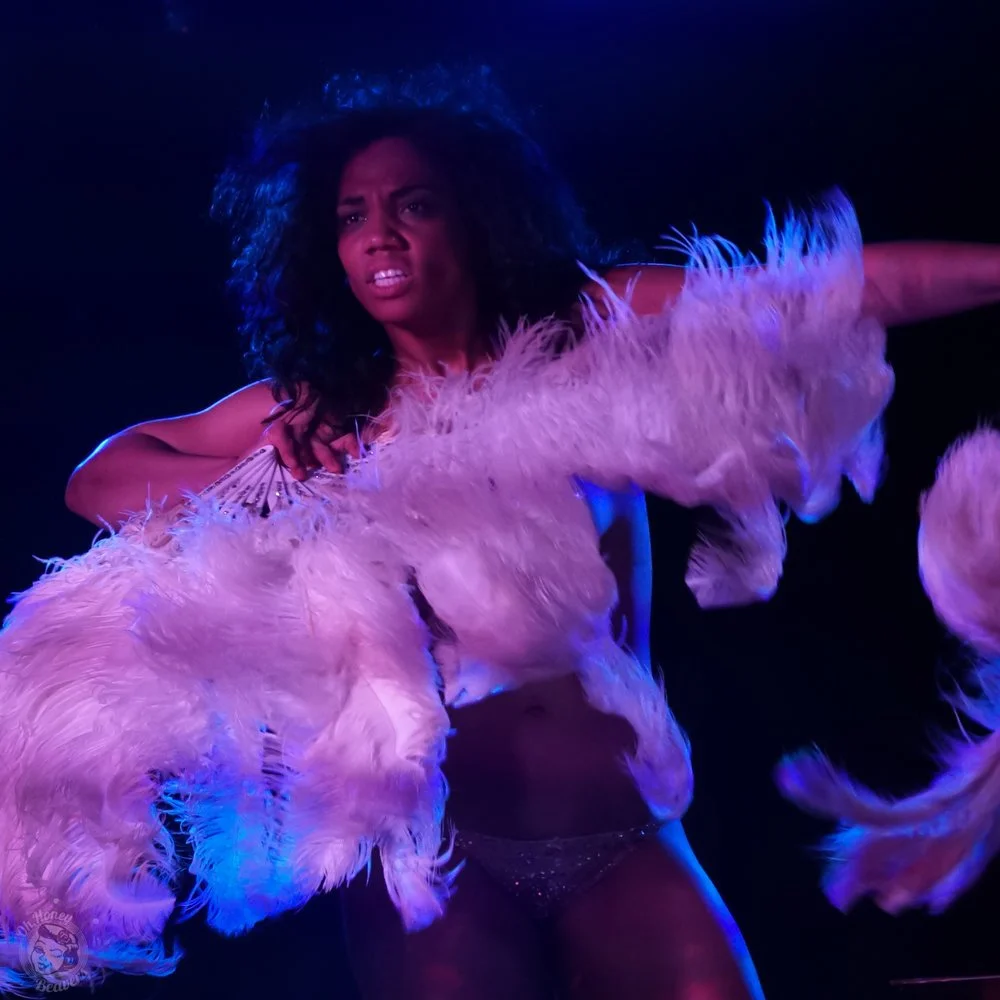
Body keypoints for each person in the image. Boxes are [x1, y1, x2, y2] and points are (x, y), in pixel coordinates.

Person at [6, 66, 999, 1000]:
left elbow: (817, 290)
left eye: (413, 204)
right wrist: (263, 476)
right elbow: (99, 477)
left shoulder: (589, 332)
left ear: (474, 214)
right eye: (352, 216)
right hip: (442, 855)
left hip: (625, 834)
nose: (380, 235)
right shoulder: (327, 412)